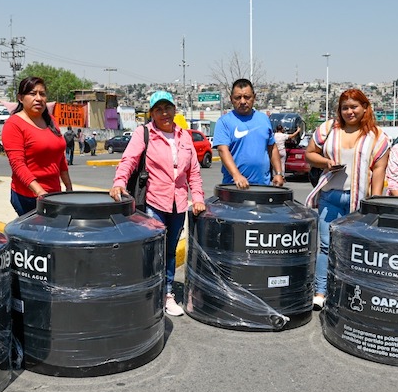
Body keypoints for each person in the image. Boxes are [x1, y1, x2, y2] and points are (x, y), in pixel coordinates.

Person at [110, 91, 206, 317]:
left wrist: (198, 198)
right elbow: (129, 160)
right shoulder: (144, 133)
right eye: (159, 109)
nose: (164, 113)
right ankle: (147, 292)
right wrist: (119, 182)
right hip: (155, 201)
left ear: (174, 110)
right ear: (152, 113)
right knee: (153, 250)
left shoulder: (184, 137)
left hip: (179, 203)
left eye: (168, 108)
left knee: (170, 251)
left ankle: (167, 293)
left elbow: (193, 172)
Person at [305, 88, 390, 310]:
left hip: (358, 200)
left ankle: (348, 291)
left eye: (354, 107)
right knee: (326, 246)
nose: (349, 111)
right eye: (345, 108)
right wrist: (326, 163)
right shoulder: (328, 129)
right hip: (330, 197)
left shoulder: (378, 137)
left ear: (365, 108)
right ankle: (321, 292)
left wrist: (375, 203)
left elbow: (378, 172)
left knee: (354, 248)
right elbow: (310, 154)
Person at [1, 77, 73, 216]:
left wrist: (68, 187)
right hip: (29, 197)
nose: (39, 98)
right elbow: (18, 165)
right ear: (21, 98)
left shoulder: (50, 120)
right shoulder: (14, 124)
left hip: (54, 195)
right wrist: (40, 192)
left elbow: (59, 157)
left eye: (42, 94)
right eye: (33, 94)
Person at [213, 78, 284, 188]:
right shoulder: (224, 122)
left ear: (254, 97)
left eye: (247, 97)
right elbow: (222, 150)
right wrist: (237, 175)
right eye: (238, 98)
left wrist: (278, 173)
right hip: (235, 187)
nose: (242, 101)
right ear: (231, 99)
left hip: (263, 187)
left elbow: (272, 147)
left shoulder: (264, 119)